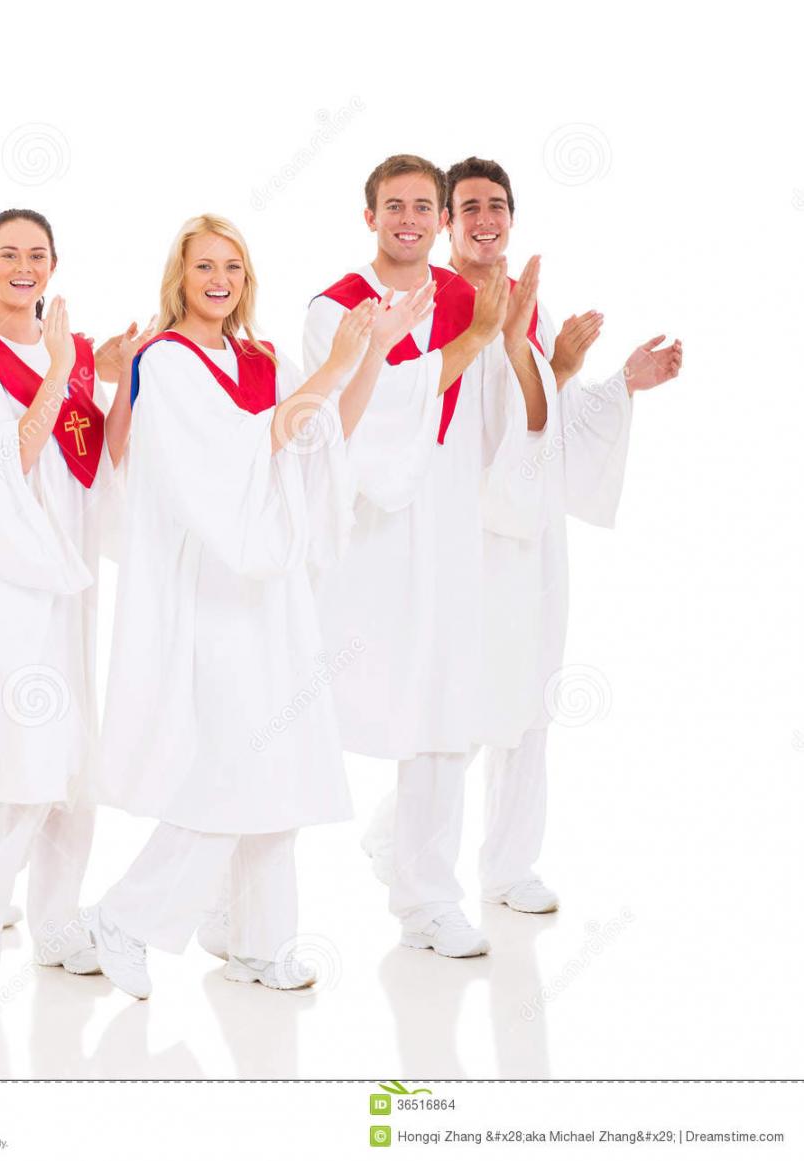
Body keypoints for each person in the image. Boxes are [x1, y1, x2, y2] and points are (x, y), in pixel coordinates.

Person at [85, 213, 430, 999]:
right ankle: (125, 918)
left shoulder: (260, 359)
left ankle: (258, 942)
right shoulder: (165, 361)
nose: (219, 279)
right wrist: (334, 364)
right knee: (230, 763)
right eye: (204, 265)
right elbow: (229, 459)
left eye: (232, 266)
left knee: (283, 763)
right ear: (178, 278)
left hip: (272, 592)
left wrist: (372, 353)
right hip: (211, 588)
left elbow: (321, 435)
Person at [361, 156, 682, 926]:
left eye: (496, 206)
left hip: (527, 533)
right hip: (456, 527)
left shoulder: (530, 305)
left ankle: (508, 864)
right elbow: (410, 411)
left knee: (527, 692)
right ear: (445, 221)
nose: (484, 219)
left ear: (511, 218)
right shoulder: (430, 302)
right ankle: (403, 850)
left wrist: (612, 381)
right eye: (468, 205)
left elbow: (544, 418)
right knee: (452, 698)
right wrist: (498, 341)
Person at [302, 153, 547, 958]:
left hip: (449, 533)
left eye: (421, 206)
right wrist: (476, 338)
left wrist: (518, 343)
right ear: (367, 215)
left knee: (444, 708)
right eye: (393, 205)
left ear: (439, 220)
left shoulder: (469, 299)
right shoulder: (336, 307)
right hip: (370, 535)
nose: (407, 218)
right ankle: (229, 897)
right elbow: (358, 417)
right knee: (299, 710)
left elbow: (507, 415)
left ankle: (426, 899)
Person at [0, 209, 154, 972]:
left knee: (74, 758)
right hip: (5, 576)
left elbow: (98, 455)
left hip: (67, 571)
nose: (24, 267)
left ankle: (55, 923)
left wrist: (120, 372)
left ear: (53, 264)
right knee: (33, 746)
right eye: (9, 254)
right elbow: (6, 465)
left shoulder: (65, 346)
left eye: (37, 255)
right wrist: (59, 368)